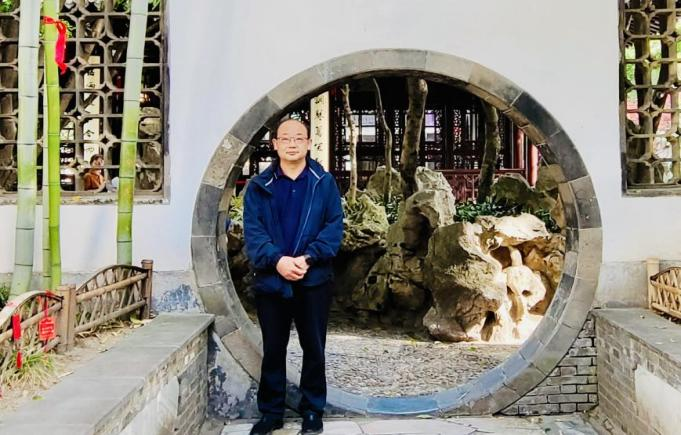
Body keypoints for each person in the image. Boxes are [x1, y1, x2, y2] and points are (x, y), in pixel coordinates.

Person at [243, 118, 344, 435]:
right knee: (273, 349)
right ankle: (271, 413)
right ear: (274, 144)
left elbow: (334, 227)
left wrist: (307, 258)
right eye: (285, 138)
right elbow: (254, 233)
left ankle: (312, 410)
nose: (291, 144)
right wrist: (278, 261)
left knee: (314, 347)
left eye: (298, 138)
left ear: (309, 143)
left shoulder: (323, 182)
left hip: (313, 280)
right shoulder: (259, 186)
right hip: (272, 280)